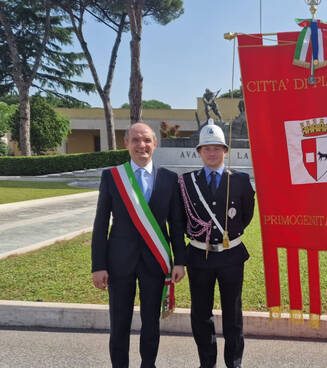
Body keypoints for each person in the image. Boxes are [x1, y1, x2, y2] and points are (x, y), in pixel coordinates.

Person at [91, 122, 186, 368]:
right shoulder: (112, 177)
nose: (141, 145)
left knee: (151, 322)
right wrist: (98, 265)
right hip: (119, 262)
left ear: (155, 144)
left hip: (155, 261)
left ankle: (148, 365)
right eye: (135, 140)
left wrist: (180, 261)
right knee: (119, 322)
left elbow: (176, 225)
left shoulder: (170, 179)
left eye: (146, 140)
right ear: (126, 144)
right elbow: (101, 223)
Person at [177, 123, 255, 368]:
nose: (212, 153)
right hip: (200, 256)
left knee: (233, 315)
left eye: (217, 148)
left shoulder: (240, 181)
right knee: (201, 314)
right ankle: (206, 363)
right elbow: (179, 221)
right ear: (199, 152)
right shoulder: (186, 183)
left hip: (231, 255)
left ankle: (234, 363)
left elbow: (246, 216)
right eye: (207, 149)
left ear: (225, 150)